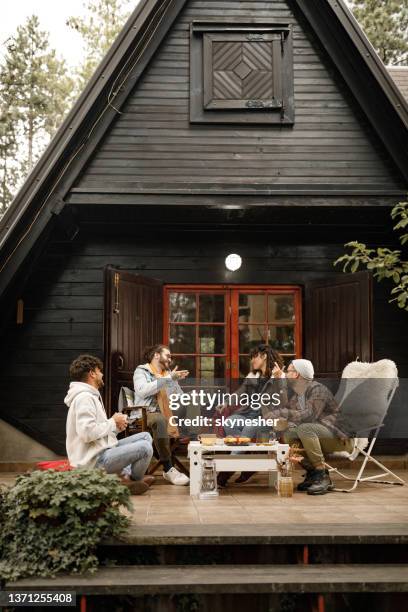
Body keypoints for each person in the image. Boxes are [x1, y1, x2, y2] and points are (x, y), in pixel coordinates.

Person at [65, 354, 154, 495]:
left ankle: (123, 476)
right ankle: (131, 480)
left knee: (145, 437)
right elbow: (87, 433)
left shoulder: (91, 396)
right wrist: (113, 422)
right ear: (92, 374)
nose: (102, 374)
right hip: (93, 462)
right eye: (99, 371)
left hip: (101, 451)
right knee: (145, 447)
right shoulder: (84, 398)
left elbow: (98, 434)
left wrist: (116, 428)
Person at [262, 358, 354, 495]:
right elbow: (286, 409)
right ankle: (312, 473)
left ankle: (322, 475)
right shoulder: (299, 395)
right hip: (319, 437)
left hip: (340, 440)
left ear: (297, 374)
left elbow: (308, 415)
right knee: (289, 433)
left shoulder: (318, 389)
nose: (285, 373)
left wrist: (281, 413)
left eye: (288, 371)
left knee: (305, 428)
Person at [216, 344, 285, 487]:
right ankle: (248, 457)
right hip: (249, 415)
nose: (252, 361)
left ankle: (223, 475)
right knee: (229, 423)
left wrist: (279, 380)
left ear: (264, 356)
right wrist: (226, 403)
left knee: (248, 430)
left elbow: (284, 402)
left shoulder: (279, 376)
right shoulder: (253, 376)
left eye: (254, 357)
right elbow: (240, 392)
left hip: (267, 419)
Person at [133, 344, 190, 486]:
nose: (170, 359)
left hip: (167, 413)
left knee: (194, 411)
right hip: (146, 413)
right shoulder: (141, 371)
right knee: (160, 420)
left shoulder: (168, 374)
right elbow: (142, 391)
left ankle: (198, 462)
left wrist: (176, 384)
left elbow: (180, 397)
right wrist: (168, 379)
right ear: (156, 355)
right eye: (168, 355)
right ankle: (168, 467)